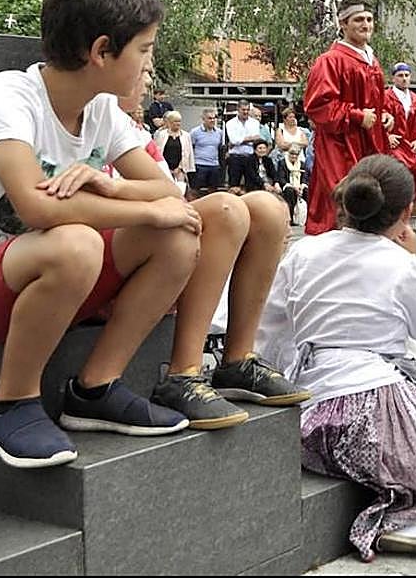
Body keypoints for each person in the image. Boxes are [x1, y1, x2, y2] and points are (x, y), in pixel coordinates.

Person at [0, 0, 201, 468]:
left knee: (177, 236)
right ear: (100, 52)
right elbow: (37, 205)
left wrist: (111, 184)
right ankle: (11, 404)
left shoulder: (100, 110)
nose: (147, 64)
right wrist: (147, 208)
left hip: (47, 278)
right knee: (79, 241)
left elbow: (163, 187)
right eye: (142, 49)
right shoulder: (6, 97)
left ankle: (95, 388)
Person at [254, 155, 416, 561]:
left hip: (310, 420)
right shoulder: (402, 263)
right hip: (369, 404)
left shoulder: (304, 251)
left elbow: (271, 327)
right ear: (405, 214)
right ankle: (412, 514)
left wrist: (284, 382)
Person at [113, 69, 310, 430]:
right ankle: (183, 370)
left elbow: (169, 190)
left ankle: (237, 358)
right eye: (141, 64)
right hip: (123, 251)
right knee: (225, 208)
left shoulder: (128, 131)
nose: (148, 79)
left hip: (149, 240)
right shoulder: (102, 120)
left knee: (269, 209)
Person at [302, 0, 394, 234]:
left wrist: (384, 116)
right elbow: (318, 106)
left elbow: (375, 101)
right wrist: (355, 116)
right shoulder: (330, 61)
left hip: (369, 145)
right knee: (342, 202)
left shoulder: (371, 61)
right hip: (340, 147)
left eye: (369, 19)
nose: (366, 24)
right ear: (343, 23)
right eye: (358, 20)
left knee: (372, 203)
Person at [384, 61, 416, 207]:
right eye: (400, 75)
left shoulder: (415, 100)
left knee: (413, 178)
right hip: (392, 147)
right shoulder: (386, 97)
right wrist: (387, 136)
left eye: (407, 75)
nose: (404, 78)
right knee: (397, 178)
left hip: (410, 147)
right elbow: (378, 120)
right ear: (393, 78)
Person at [224, 101, 262, 190]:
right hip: (235, 158)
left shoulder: (255, 123)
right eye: (243, 110)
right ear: (238, 109)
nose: (245, 112)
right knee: (234, 185)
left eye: (247, 110)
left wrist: (238, 141)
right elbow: (233, 140)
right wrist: (249, 139)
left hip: (250, 157)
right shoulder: (230, 123)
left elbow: (256, 138)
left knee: (251, 185)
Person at [153, 110, 194, 185]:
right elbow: (157, 152)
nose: (178, 123)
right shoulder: (161, 135)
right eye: (175, 121)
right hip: (164, 169)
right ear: (169, 122)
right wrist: (165, 168)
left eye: (179, 121)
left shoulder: (186, 136)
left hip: (179, 170)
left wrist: (179, 168)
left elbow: (188, 153)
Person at [189, 108, 225, 193]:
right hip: (199, 165)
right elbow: (190, 147)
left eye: (214, 118)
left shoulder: (219, 132)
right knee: (195, 190)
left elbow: (220, 148)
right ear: (203, 119)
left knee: (213, 190)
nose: (212, 120)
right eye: (209, 118)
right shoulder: (195, 132)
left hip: (214, 165)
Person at [280, 143, 308, 225]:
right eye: (292, 154)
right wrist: (293, 186)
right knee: (290, 192)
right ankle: (290, 218)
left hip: (300, 186)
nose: (294, 157)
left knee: (307, 192)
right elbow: (281, 178)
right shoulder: (282, 163)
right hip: (288, 185)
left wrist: (301, 186)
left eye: (296, 155)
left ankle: (307, 218)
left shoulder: (302, 164)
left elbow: (305, 178)